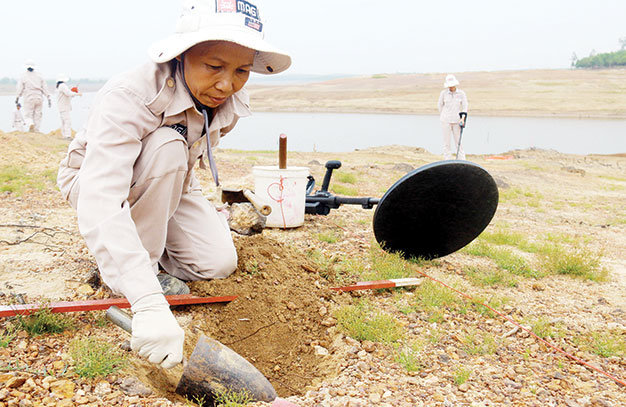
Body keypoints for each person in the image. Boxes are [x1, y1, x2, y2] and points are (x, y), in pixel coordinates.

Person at [57, 0, 290, 369]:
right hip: (98, 181)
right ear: (181, 55)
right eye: (214, 66)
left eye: (242, 70)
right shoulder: (131, 95)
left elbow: (191, 161)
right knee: (166, 146)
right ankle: (133, 274)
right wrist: (148, 302)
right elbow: (102, 197)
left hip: (174, 178)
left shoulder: (227, 97)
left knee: (217, 262)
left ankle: (141, 252)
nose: (227, 83)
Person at [438, 74, 468, 160]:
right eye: (449, 86)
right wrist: (444, 115)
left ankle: (461, 160)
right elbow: (440, 105)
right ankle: (447, 160)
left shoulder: (461, 93)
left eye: (452, 85)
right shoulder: (443, 93)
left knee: (458, 142)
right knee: (446, 143)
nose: (451, 87)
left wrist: (462, 118)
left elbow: (465, 106)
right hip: (445, 121)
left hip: (457, 121)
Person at [16, 60, 51, 133]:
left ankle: (30, 124)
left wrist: (17, 97)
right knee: (38, 115)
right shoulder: (40, 75)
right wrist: (48, 97)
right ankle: (36, 130)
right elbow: (45, 87)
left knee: (28, 114)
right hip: (39, 97)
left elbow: (20, 88)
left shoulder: (23, 76)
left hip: (29, 97)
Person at [56, 75, 82, 139]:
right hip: (64, 107)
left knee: (64, 122)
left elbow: (68, 94)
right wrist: (77, 94)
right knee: (67, 121)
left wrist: (73, 92)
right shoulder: (63, 86)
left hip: (62, 107)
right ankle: (67, 136)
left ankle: (64, 135)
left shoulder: (60, 86)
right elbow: (68, 93)